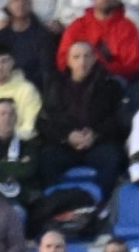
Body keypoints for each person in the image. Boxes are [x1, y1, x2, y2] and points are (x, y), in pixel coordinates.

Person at [39, 40, 127, 197]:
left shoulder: (110, 85)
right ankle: (54, 203)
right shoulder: (55, 85)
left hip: (98, 143)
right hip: (65, 144)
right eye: (76, 57)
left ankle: (101, 204)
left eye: (87, 56)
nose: (82, 62)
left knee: (113, 157)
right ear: (68, 61)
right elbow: (45, 121)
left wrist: (95, 134)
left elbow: (118, 119)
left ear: (94, 59)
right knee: (46, 159)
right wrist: (67, 135)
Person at [57, 0, 139, 81]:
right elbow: (63, 60)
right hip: (79, 79)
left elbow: (133, 66)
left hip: (113, 80)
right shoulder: (77, 25)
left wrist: (107, 63)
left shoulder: (127, 27)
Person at [0, 0, 57, 91]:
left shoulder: (44, 36)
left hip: (33, 89)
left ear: (31, 3)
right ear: (8, 6)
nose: (21, 3)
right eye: (16, 0)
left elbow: (47, 73)